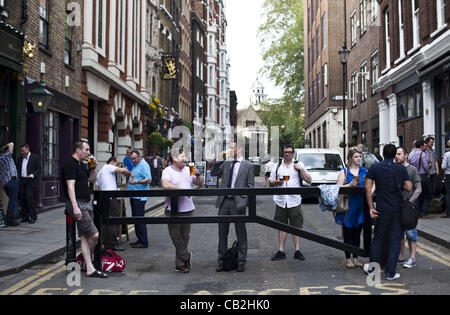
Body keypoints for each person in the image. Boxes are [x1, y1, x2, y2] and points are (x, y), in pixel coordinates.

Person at [365, 144, 412, 281]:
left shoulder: (375, 167)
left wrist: (370, 207)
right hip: (397, 209)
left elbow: (368, 188)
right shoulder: (401, 168)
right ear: (394, 155)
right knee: (395, 240)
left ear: (383, 154)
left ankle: (373, 272)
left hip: (381, 209)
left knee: (378, 239)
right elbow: (408, 188)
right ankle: (390, 273)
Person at [62, 141, 108, 278]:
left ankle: (89, 267)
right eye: (86, 150)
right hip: (78, 204)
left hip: (86, 203)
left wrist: (93, 167)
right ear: (78, 150)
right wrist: (75, 207)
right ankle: (90, 257)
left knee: (84, 236)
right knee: (94, 235)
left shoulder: (81, 165)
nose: (89, 153)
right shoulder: (69, 164)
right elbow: (70, 187)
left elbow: (92, 180)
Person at [211, 142, 255, 272]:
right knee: (222, 233)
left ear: (239, 149)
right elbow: (213, 173)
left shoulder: (248, 166)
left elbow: (251, 187)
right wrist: (219, 159)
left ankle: (241, 260)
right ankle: (222, 260)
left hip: (238, 203)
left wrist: (244, 202)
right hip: (224, 201)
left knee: (241, 233)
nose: (229, 150)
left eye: (232, 147)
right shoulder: (226, 163)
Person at [161, 149, 203, 273]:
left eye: (185, 156)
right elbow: (165, 184)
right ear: (174, 158)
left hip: (188, 208)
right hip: (172, 209)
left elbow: (200, 184)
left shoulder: (190, 169)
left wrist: (198, 175)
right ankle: (186, 256)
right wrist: (182, 190)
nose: (185, 159)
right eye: (182, 156)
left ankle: (180, 264)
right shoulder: (167, 171)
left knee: (185, 237)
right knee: (175, 236)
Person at [269, 144, 312, 262]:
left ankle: (297, 250)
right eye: (285, 152)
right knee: (281, 225)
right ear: (283, 153)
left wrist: (301, 169)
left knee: (296, 225)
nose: (287, 154)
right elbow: (270, 181)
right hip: (281, 200)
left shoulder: (299, 165)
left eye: (289, 152)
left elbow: (309, 180)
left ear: (293, 153)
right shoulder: (277, 166)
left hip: (294, 200)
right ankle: (281, 250)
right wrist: (276, 182)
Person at [336, 148, 367, 269]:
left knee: (357, 233)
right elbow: (338, 188)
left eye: (360, 156)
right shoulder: (344, 171)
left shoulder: (364, 171)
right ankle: (348, 259)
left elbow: (372, 184)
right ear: (350, 159)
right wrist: (349, 185)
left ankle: (356, 258)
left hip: (361, 205)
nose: (359, 159)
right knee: (348, 233)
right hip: (348, 205)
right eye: (356, 157)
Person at [96, 156, 133, 251]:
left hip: (103, 198)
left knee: (106, 221)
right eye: (116, 163)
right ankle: (113, 244)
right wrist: (129, 173)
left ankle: (106, 242)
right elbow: (122, 170)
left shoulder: (100, 172)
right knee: (114, 220)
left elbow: (97, 187)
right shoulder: (108, 167)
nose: (116, 166)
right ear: (112, 162)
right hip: (111, 198)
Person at [396, 147, 422, 269]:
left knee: (411, 233)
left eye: (399, 154)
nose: (397, 156)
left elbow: (419, 188)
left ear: (406, 155)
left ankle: (412, 258)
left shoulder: (412, 169)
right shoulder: (395, 169)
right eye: (396, 154)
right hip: (397, 205)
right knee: (399, 233)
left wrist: (410, 202)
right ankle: (401, 257)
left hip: (409, 206)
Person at [128, 150, 152, 248]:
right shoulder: (137, 165)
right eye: (131, 159)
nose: (133, 160)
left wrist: (137, 182)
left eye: (134, 158)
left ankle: (143, 242)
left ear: (139, 156)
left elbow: (148, 179)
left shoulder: (143, 165)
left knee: (139, 219)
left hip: (139, 197)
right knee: (136, 219)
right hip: (134, 196)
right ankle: (139, 239)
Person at [408, 139, 432, 218]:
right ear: (421, 146)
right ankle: (424, 212)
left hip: (414, 176)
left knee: (417, 194)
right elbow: (425, 166)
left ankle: (417, 212)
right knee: (427, 194)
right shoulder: (423, 154)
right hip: (422, 176)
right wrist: (428, 172)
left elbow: (409, 164)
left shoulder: (411, 154)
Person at [16, 144, 40, 224]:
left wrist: (32, 175)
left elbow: (38, 169)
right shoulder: (19, 158)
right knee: (22, 199)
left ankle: (33, 217)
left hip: (30, 180)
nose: (23, 153)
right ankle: (25, 216)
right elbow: (18, 169)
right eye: (22, 151)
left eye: (24, 151)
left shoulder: (35, 157)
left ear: (28, 149)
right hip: (22, 180)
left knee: (29, 198)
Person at [0, 143, 20, 226]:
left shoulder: (1, 158)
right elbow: (12, 144)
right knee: (13, 201)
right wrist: (7, 146)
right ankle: (9, 220)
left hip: (5, 183)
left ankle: (13, 220)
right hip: (11, 181)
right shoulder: (5, 157)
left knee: (13, 200)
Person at [441, 144, 450, 218]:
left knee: (448, 194)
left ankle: (448, 213)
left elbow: (443, 166)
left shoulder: (447, 154)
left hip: (448, 175)